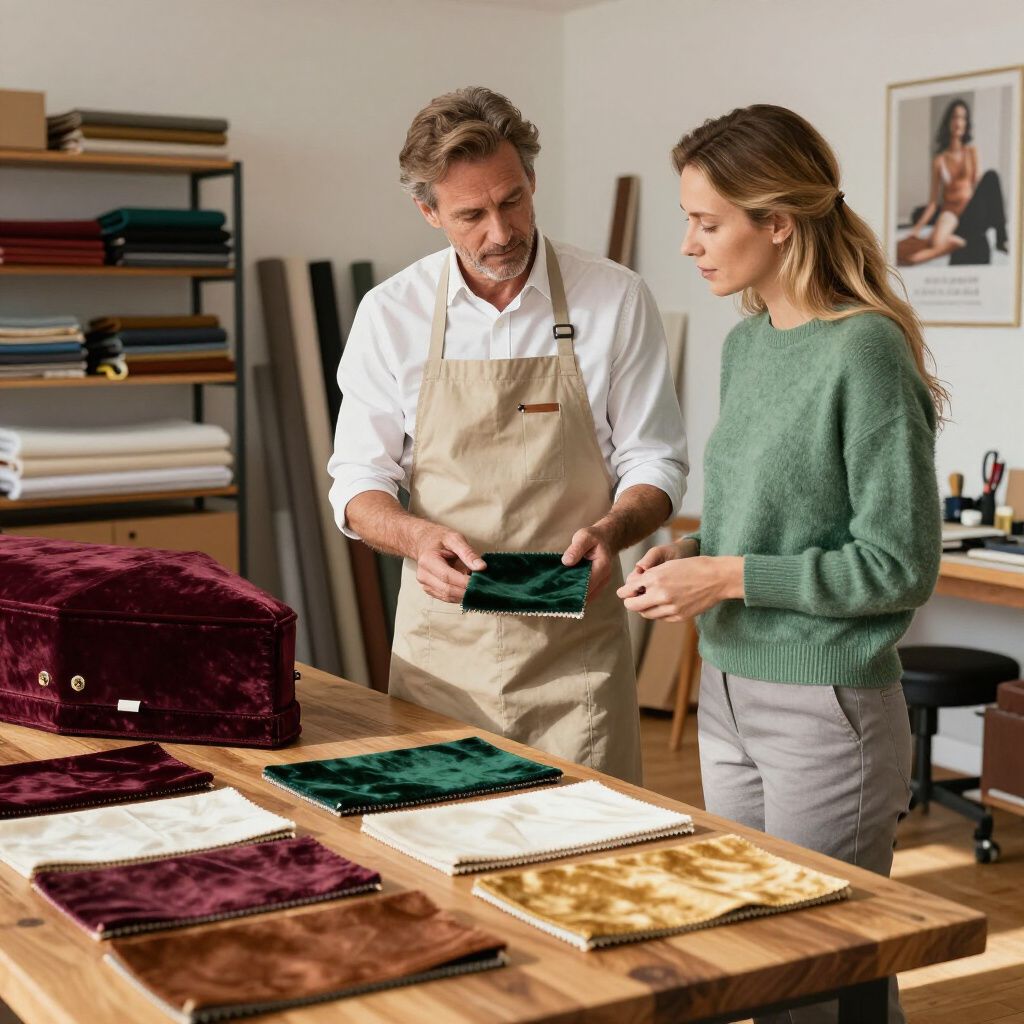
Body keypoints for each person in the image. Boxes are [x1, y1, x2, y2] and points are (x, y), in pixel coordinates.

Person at [618, 104, 945, 1022]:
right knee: (755, 959)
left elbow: (897, 566)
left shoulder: (866, 353)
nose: (688, 244)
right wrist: (687, 554)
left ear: (778, 223)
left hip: (825, 708)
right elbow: (755, 523)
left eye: (707, 222)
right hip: (727, 688)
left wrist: (722, 578)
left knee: (818, 970)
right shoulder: (747, 344)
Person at [328, 87, 688, 785]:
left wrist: (615, 528)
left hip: (574, 661)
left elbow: (656, 459)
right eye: (471, 213)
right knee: (441, 857)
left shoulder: (613, 298)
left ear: (531, 182)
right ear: (428, 211)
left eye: (513, 200)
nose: (501, 231)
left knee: (585, 864)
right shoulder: (390, 314)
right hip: (441, 658)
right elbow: (357, 482)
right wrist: (413, 538)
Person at [899, 97, 1009, 265]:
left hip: (971, 211)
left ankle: (1002, 239)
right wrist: (916, 229)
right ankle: (927, 253)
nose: (959, 122)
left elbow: (977, 184)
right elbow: (933, 203)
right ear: (949, 122)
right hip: (951, 213)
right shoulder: (939, 160)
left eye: (963, 118)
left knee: (991, 176)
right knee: (936, 241)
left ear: (966, 124)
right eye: (955, 117)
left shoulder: (971, 151)